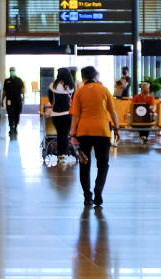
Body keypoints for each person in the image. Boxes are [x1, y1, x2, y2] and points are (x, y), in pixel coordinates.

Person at [69, 65, 118, 207]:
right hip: (103, 131)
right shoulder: (104, 90)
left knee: (85, 164)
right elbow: (113, 112)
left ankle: (87, 196)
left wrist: (72, 133)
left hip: (84, 132)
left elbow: (76, 116)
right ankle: (98, 189)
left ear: (83, 78)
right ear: (95, 76)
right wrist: (117, 128)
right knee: (103, 164)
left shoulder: (79, 92)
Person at [49, 68, 75, 162]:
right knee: (65, 134)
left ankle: (60, 154)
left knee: (60, 134)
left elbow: (50, 100)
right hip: (68, 114)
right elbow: (74, 100)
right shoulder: (72, 86)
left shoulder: (53, 86)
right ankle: (64, 153)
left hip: (56, 114)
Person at [2, 67, 25, 137]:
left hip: (18, 99)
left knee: (17, 113)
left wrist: (23, 97)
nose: (12, 72)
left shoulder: (19, 80)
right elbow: (4, 91)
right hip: (9, 100)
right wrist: (2, 100)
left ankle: (16, 127)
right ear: (9, 71)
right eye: (11, 71)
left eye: (13, 71)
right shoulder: (7, 81)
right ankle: (11, 127)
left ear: (15, 71)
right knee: (10, 113)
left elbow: (23, 89)